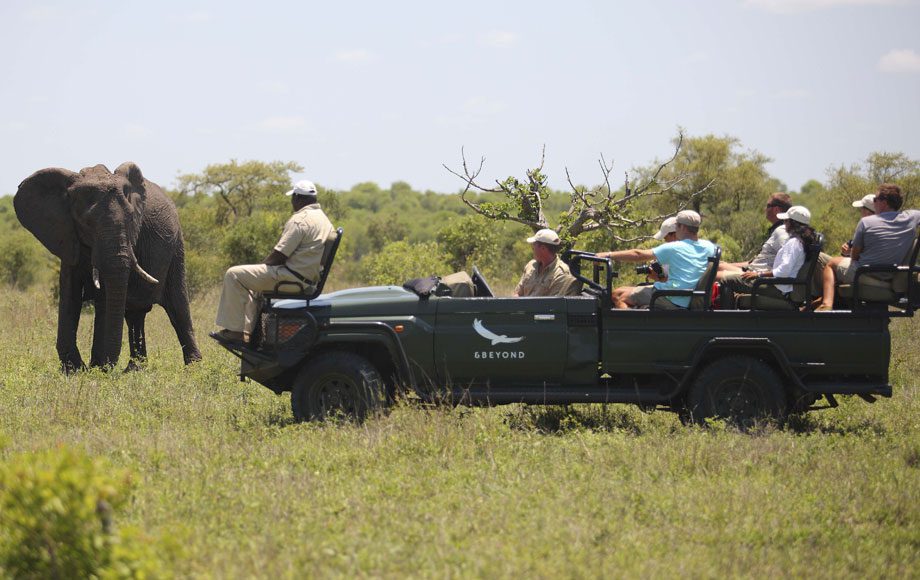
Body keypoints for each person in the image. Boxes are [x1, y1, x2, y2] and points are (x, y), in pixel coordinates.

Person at [213, 180, 335, 342]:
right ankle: (250, 333)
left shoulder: (301, 220)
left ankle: (235, 332)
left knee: (234, 274)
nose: (292, 202)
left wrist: (262, 267)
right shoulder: (324, 220)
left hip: (291, 278)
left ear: (298, 198)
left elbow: (279, 256)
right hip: (307, 279)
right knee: (253, 282)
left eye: (293, 198)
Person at [818, 183, 920, 310]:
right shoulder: (912, 217)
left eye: (875, 199)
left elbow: (854, 257)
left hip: (865, 273)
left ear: (884, 203)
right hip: (892, 275)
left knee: (831, 263)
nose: (874, 202)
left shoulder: (866, 222)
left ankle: (826, 305)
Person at [599, 210, 716, 309]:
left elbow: (638, 254)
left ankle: (631, 332)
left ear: (683, 227)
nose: (676, 229)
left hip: (671, 298)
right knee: (623, 290)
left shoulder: (674, 247)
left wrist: (607, 255)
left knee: (618, 296)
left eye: (677, 226)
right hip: (688, 297)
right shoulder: (710, 247)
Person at [736, 206, 817, 304]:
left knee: (727, 280)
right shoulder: (804, 241)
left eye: (786, 221)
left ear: (793, 223)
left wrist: (758, 274)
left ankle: (725, 318)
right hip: (783, 286)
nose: (784, 223)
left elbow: (783, 271)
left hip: (779, 289)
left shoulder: (794, 243)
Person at [716, 193, 791, 300]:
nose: (765, 209)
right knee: (718, 266)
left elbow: (787, 261)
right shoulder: (777, 230)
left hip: (760, 276)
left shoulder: (782, 232)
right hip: (754, 271)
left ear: (776, 210)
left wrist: (760, 274)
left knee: (717, 275)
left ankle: (709, 310)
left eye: (767, 206)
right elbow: (756, 261)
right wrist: (729, 264)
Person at [514, 228, 580, 297]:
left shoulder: (561, 273)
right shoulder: (531, 265)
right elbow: (517, 293)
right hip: (520, 306)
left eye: (534, 246)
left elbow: (551, 304)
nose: (532, 249)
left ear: (543, 248)